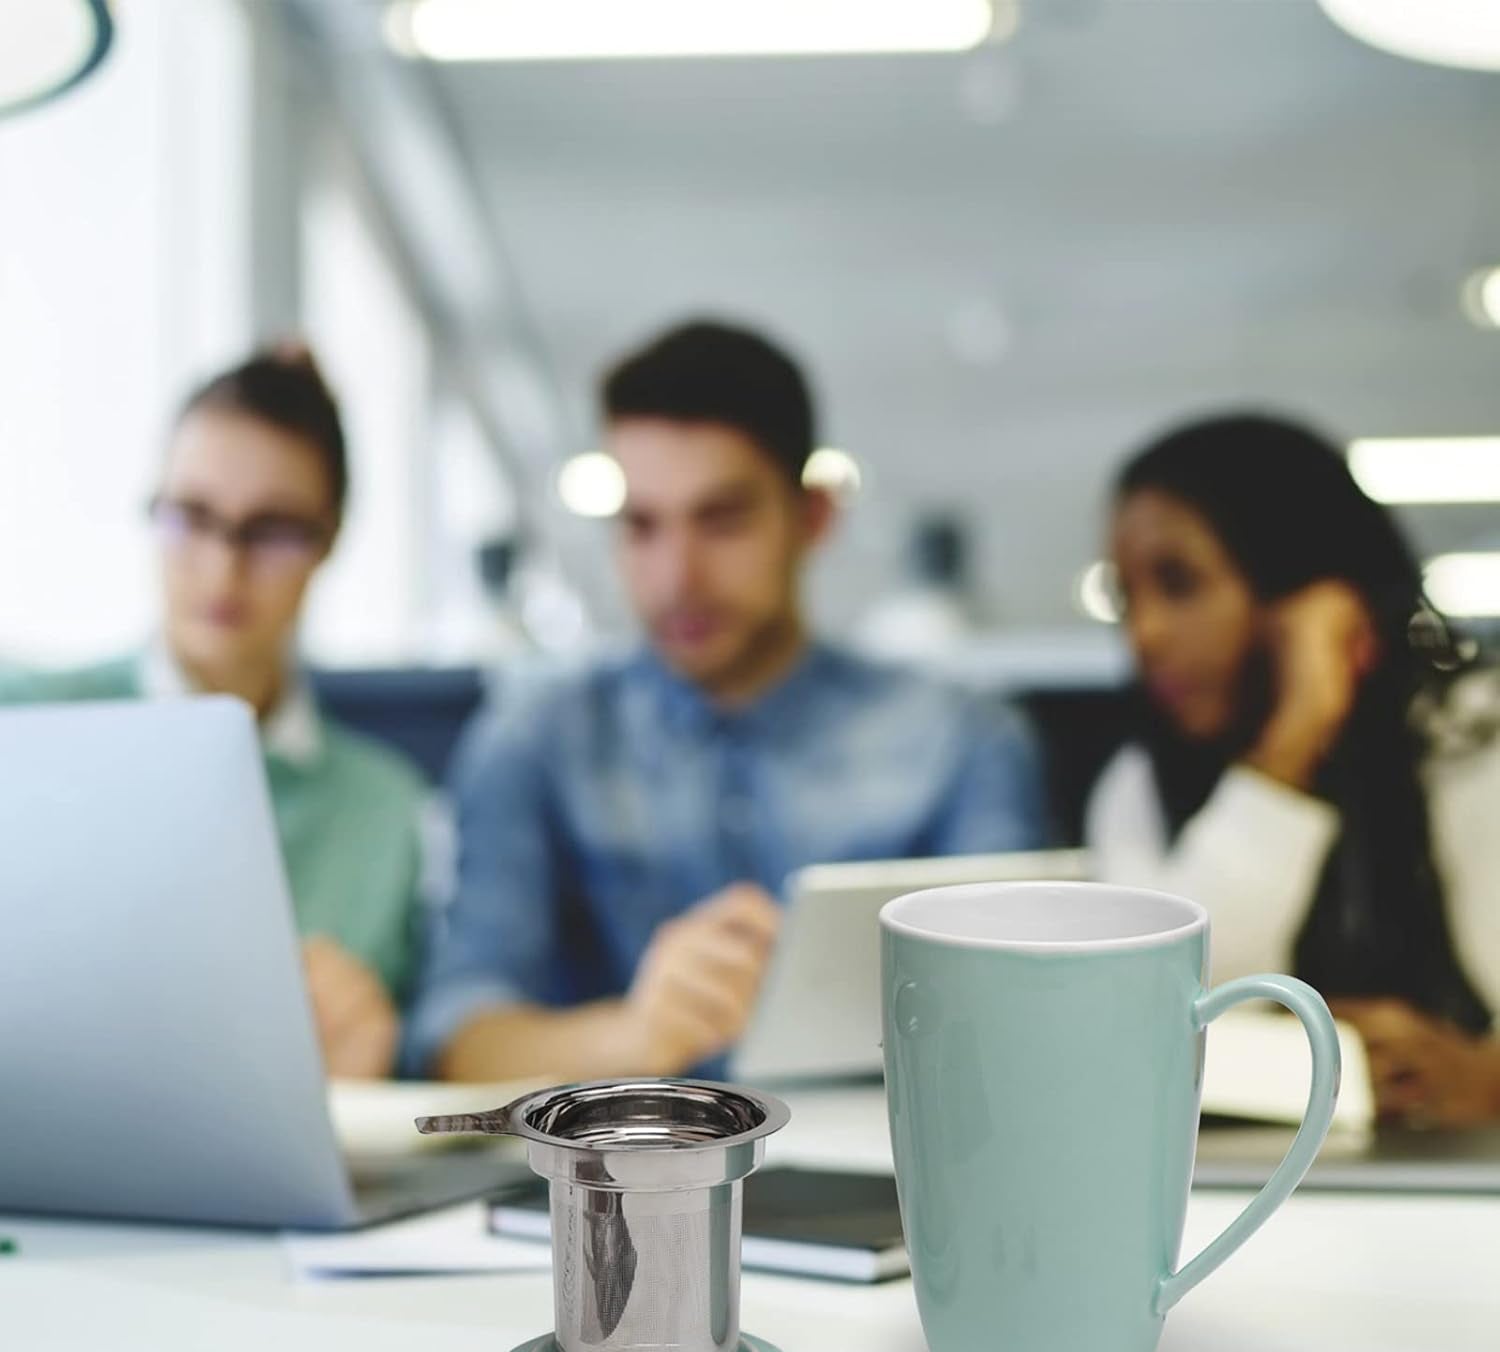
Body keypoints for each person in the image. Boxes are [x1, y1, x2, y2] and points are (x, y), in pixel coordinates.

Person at [411, 319, 1047, 1082]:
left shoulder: (963, 739)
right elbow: (454, 1039)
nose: (677, 575)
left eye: (723, 520)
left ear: (812, 517)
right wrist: (634, 1037)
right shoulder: (536, 737)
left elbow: (1023, 1022)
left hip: (901, 1181)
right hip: (620, 1181)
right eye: (641, 526)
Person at [0, 345, 427, 1078]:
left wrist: (366, 1064)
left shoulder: (385, 810)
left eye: (271, 530)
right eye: (192, 517)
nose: (223, 566)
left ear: (327, 543)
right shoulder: (24, 725)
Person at [1086, 413, 1500, 1126]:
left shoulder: (1471, 734)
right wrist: (1293, 738)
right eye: (1127, 599)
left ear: (1300, 584)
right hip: (1240, 1192)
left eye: (1179, 583)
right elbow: (1144, 1027)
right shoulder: (1138, 783)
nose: (1144, 633)